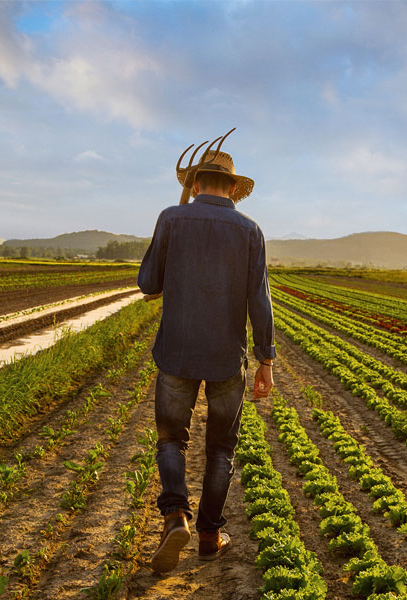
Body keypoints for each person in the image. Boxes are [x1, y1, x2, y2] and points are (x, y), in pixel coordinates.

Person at [137, 133, 275, 574]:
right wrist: (266, 360)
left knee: (171, 439)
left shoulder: (171, 218)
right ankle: (210, 535)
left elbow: (147, 283)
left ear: (195, 183)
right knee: (221, 449)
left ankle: (175, 515)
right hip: (225, 359)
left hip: (176, 351)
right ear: (232, 188)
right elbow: (260, 301)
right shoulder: (250, 229)